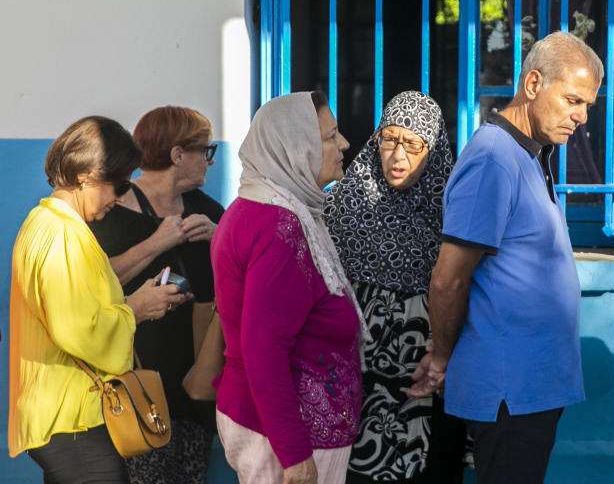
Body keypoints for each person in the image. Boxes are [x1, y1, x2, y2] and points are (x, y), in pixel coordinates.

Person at [409, 31, 602, 483]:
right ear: (533, 84)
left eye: (588, 105)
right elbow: (448, 280)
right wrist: (441, 356)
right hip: (508, 390)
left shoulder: (531, 153)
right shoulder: (494, 157)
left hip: (532, 387)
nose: (582, 117)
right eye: (574, 100)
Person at [8, 116, 187, 483]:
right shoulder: (62, 234)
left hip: (67, 416)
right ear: (86, 175)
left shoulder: (49, 224)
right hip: (74, 418)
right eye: (119, 185)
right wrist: (136, 309)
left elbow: (79, 308)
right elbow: (78, 330)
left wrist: (139, 300)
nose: (120, 198)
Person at [211, 91, 365, 484]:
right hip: (288, 435)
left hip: (283, 426)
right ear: (296, 149)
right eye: (330, 136)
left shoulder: (258, 208)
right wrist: (294, 455)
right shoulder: (280, 226)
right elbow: (263, 349)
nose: (344, 143)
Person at [324, 91, 465, 483]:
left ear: (433, 150)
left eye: (413, 144)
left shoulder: (454, 215)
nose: (398, 155)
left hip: (429, 381)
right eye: (389, 139)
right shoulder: (341, 208)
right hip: (359, 386)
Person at [88, 106, 224, 484]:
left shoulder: (206, 209)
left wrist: (220, 237)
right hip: (140, 383)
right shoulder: (113, 209)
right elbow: (93, 284)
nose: (210, 163)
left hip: (197, 378)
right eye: (205, 152)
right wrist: (156, 242)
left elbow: (241, 272)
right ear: (178, 155)